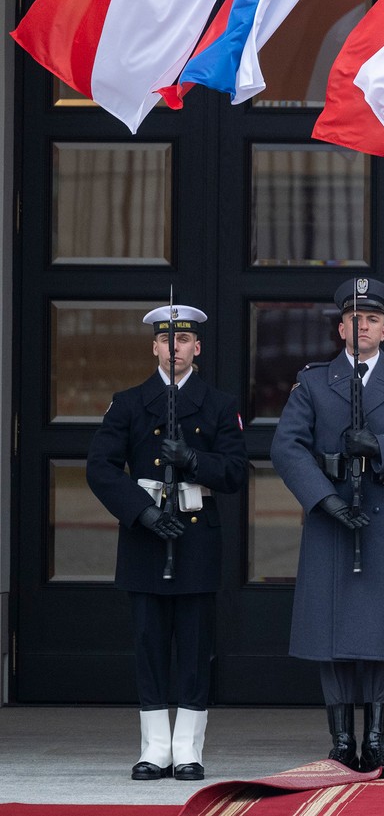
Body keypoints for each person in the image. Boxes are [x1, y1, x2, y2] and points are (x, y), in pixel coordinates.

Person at [272, 277, 384, 778]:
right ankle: (342, 742)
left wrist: (382, 448)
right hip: (332, 517)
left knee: (379, 634)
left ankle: (376, 742)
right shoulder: (312, 381)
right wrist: (324, 499)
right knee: (332, 634)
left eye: (371, 319)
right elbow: (287, 446)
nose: (362, 326)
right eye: (353, 318)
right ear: (341, 326)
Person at [85, 303, 246, 781]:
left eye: (183, 340)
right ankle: (155, 748)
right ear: (153, 345)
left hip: (195, 536)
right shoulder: (129, 402)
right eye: (165, 339)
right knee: (150, 644)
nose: (174, 348)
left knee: (195, 648)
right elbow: (100, 467)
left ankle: (188, 748)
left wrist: (195, 459)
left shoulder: (219, 404)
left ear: (197, 347)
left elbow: (235, 471)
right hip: (147, 537)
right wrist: (144, 512)